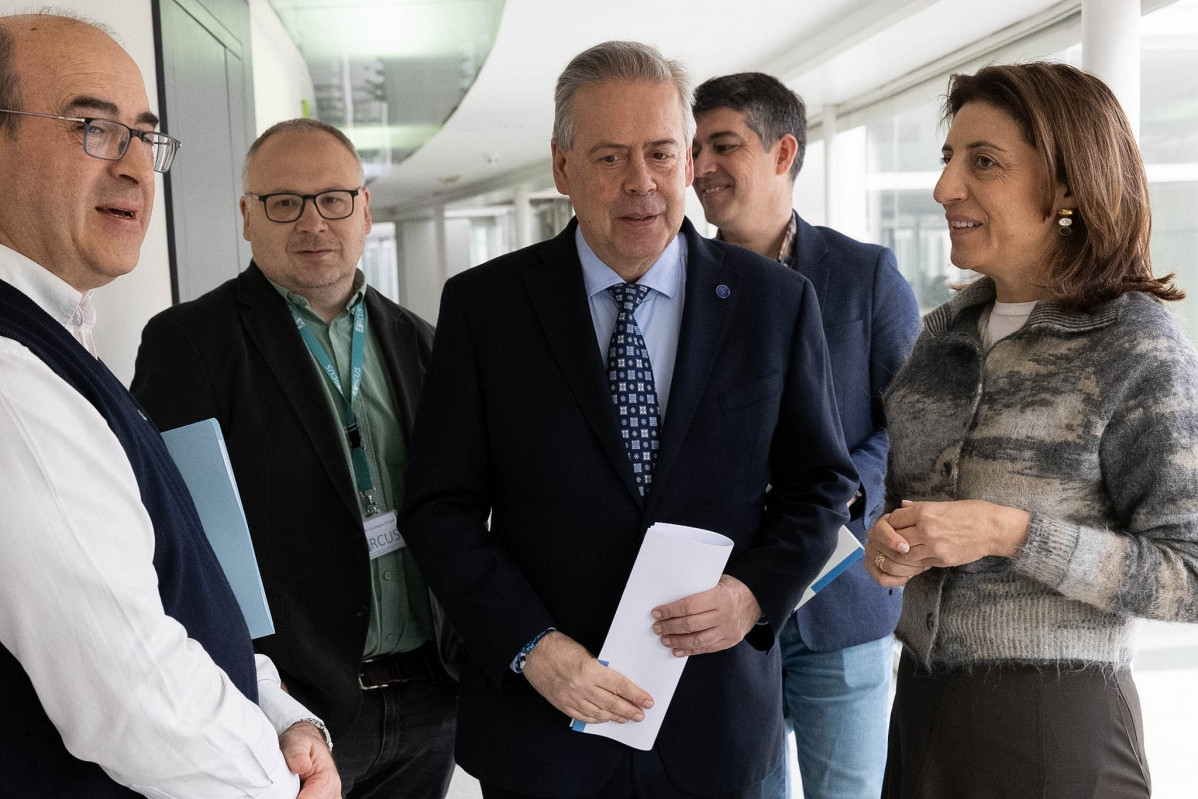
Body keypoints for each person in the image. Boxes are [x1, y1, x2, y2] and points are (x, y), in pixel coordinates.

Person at [398, 40, 859, 799]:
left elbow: (822, 484)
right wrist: (531, 647)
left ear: (686, 162)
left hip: (715, 724)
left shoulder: (773, 303)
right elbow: (438, 507)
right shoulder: (486, 309)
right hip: (545, 731)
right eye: (610, 157)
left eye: (660, 153)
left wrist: (750, 595)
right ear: (562, 168)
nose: (640, 183)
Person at [0, 12, 338, 798]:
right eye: (92, 127)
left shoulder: (63, 343)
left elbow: (175, 587)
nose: (134, 167)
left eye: (144, 137)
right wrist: (280, 781)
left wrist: (277, 711)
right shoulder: (14, 383)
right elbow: (134, 697)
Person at [866, 61, 1198, 799]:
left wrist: (1011, 531)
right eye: (948, 158)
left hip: (1056, 726)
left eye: (983, 162)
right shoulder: (940, 338)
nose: (946, 187)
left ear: (1070, 186)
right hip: (920, 705)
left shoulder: (1134, 344)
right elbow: (910, 511)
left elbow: (1192, 574)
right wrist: (892, 546)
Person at [131, 118, 457, 798]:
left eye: (333, 198)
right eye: (285, 202)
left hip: (429, 698)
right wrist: (264, 697)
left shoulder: (423, 342)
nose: (313, 221)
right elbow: (174, 538)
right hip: (295, 710)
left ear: (365, 210)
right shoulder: (190, 343)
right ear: (248, 217)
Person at [691, 72, 919, 799]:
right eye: (693, 148)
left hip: (839, 601)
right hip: (722, 601)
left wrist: (832, 494)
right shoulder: (681, 282)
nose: (699, 168)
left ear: (783, 150)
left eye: (723, 145)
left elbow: (911, 426)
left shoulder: (866, 276)